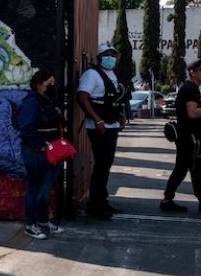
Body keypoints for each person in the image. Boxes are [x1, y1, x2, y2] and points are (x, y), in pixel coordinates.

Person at [76, 42, 127, 220]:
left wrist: (121, 114)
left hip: (111, 124)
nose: (110, 58)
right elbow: (82, 97)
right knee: (101, 164)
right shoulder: (92, 74)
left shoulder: (112, 74)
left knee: (107, 164)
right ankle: (95, 206)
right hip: (98, 126)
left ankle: (102, 201)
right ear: (98, 58)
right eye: (107, 54)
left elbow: (116, 97)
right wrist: (96, 119)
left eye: (113, 55)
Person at [160, 59, 201, 214]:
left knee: (182, 169)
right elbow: (192, 113)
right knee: (198, 170)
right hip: (191, 139)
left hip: (189, 137)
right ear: (193, 73)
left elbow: (196, 110)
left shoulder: (192, 88)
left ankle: (167, 200)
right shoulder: (190, 89)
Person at [16, 70, 66, 239]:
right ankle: (31, 224)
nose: (51, 87)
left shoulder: (47, 101)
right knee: (35, 188)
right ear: (38, 84)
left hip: (51, 150)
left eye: (53, 83)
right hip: (37, 152)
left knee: (45, 189)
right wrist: (42, 145)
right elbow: (26, 128)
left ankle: (43, 220)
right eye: (48, 84)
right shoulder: (32, 103)